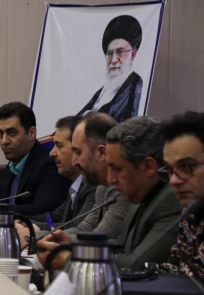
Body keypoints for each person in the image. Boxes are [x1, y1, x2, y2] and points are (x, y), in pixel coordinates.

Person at [40, 117, 181, 271]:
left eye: (117, 169)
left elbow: (134, 264)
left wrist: (70, 258)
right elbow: (120, 245)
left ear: (148, 167)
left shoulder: (171, 199)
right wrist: (70, 245)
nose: (110, 179)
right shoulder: (141, 194)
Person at [0, 102, 71, 216]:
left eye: (12, 133)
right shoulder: (14, 164)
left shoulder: (49, 164)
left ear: (31, 133)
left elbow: (43, 210)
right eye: (0, 133)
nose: (4, 141)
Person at [159, 111, 204, 281]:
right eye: (170, 170)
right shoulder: (191, 213)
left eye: (187, 167)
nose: (174, 180)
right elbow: (175, 269)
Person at [33, 115, 96, 229]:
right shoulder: (76, 184)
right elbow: (56, 217)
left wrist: (33, 228)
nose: (52, 153)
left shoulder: (94, 186)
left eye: (59, 146)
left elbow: (77, 228)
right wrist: (21, 222)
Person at [78, 15, 144, 121]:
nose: (113, 60)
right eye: (109, 53)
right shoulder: (105, 89)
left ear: (133, 54)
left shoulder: (136, 86)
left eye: (120, 52)